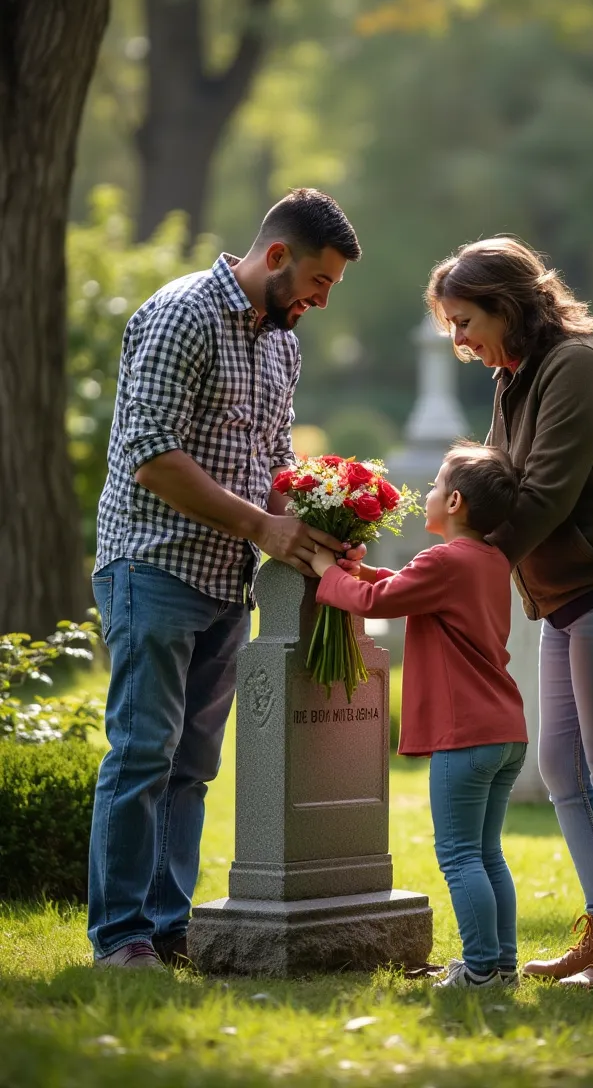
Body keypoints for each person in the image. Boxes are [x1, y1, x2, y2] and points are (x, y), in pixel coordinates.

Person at [89, 188, 363, 969]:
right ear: (276, 256)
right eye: (319, 281)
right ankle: (120, 936)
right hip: (153, 564)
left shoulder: (282, 342)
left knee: (191, 766)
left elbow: (273, 462)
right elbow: (151, 456)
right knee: (143, 752)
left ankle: (170, 926)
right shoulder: (182, 314)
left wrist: (320, 531)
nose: (320, 299)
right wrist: (263, 527)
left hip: (226, 582)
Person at [426, 237, 593, 988]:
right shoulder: (515, 376)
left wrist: (463, 574)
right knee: (563, 768)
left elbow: (545, 495)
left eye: (464, 320)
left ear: (506, 306)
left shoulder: (578, 363)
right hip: (574, 597)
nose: (459, 340)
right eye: (450, 324)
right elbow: (491, 490)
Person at [312, 442, 528, 991]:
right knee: (486, 853)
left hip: (466, 735)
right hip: (504, 730)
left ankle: (479, 970)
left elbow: (376, 603)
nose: (428, 492)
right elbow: (406, 589)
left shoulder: (445, 561)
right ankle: (501, 964)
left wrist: (324, 572)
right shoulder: (489, 560)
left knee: (458, 855)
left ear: (453, 501)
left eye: (434, 485)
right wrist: (360, 570)